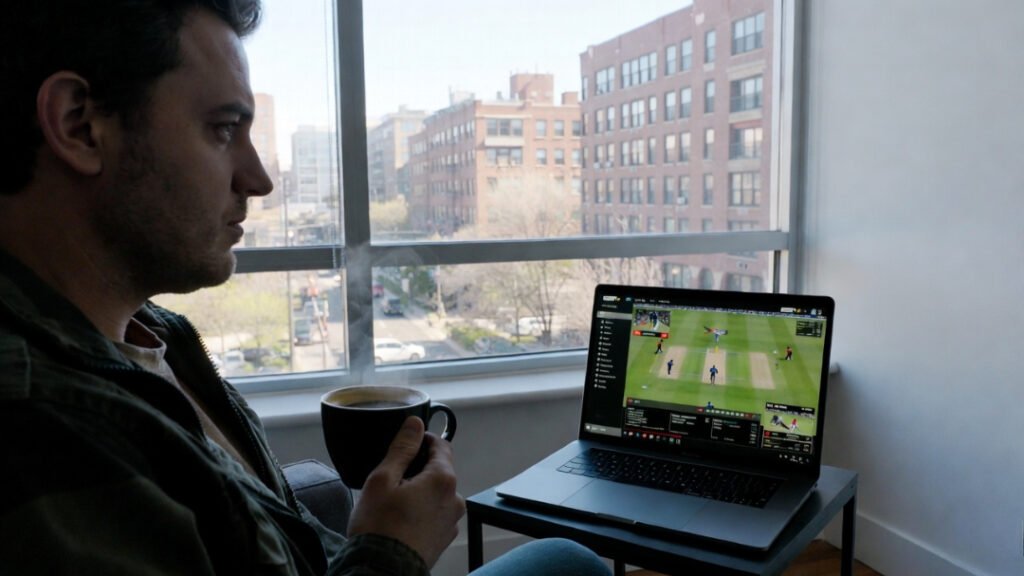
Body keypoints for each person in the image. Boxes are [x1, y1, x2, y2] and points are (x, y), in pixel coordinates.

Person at [0, 2, 609, 575]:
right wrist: (388, 552)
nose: (258, 179)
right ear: (80, 125)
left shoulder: (156, 334)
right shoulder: (45, 429)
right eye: (222, 129)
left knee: (566, 559)